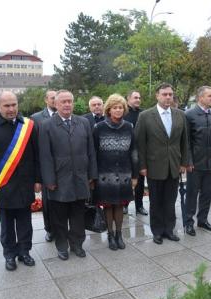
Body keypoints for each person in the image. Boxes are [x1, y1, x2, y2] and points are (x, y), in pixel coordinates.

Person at [0, 91, 41, 271]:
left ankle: (24, 252)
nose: (11, 109)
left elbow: (36, 155)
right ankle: (10, 255)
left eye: (14, 105)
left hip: (25, 183)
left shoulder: (28, 126)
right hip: (3, 185)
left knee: (25, 222)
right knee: (6, 224)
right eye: (6, 106)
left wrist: (38, 179)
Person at [39, 90, 98, 260]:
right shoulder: (46, 125)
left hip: (80, 178)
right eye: (63, 102)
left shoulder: (84, 122)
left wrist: (92, 175)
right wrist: (49, 180)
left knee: (78, 215)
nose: (67, 105)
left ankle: (77, 244)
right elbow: (45, 156)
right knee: (59, 217)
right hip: (59, 180)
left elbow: (91, 151)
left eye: (69, 101)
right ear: (55, 104)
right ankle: (62, 246)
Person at [135, 83, 188, 245]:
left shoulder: (180, 115)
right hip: (154, 166)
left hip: (174, 165)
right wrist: (142, 166)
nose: (168, 97)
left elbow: (185, 142)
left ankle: (169, 229)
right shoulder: (145, 116)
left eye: (170, 94)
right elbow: (140, 143)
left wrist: (184, 162)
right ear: (157, 96)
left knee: (171, 200)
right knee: (156, 201)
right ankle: (157, 231)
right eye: (164, 94)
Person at [93, 94, 138, 250]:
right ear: (109, 110)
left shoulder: (129, 127)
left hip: (124, 173)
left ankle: (119, 234)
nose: (118, 110)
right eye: (115, 107)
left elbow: (134, 152)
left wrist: (135, 175)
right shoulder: (99, 128)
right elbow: (93, 152)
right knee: (108, 206)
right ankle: (110, 235)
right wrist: (93, 176)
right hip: (104, 174)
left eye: (120, 107)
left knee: (120, 205)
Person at [184, 86, 211, 236]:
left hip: (210, 162)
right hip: (195, 163)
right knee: (192, 193)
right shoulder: (189, 115)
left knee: (207, 192)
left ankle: (202, 220)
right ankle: (189, 222)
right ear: (200, 98)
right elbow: (186, 141)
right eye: (209, 96)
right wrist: (188, 161)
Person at [31, 89, 57, 242]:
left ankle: (62, 228)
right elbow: (33, 146)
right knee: (47, 202)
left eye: (56, 98)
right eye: (52, 98)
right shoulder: (36, 118)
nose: (55, 100)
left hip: (64, 166)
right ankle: (50, 229)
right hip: (45, 167)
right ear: (46, 100)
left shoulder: (66, 116)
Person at [123, 90, 148, 216]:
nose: (138, 99)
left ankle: (139, 206)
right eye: (135, 97)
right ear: (128, 99)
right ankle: (124, 205)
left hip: (140, 152)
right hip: (126, 153)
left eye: (139, 97)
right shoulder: (123, 113)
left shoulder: (144, 114)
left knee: (140, 181)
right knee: (126, 180)